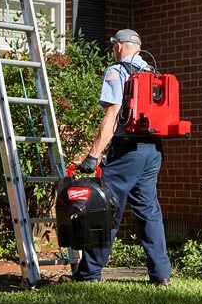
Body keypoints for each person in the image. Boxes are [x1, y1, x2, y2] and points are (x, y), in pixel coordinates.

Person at [72, 29, 172, 285]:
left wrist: (93, 156)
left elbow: (112, 116)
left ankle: (88, 274)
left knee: (105, 210)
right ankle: (161, 276)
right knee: (149, 211)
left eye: (113, 46)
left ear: (118, 46)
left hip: (127, 152)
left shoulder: (117, 71)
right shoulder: (152, 72)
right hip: (153, 151)